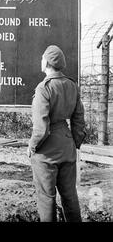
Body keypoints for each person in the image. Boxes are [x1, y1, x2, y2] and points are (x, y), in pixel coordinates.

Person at [27, 45, 86, 222]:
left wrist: (32, 146)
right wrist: (74, 143)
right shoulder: (72, 85)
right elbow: (79, 120)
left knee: (46, 198)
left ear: (47, 62)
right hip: (67, 147)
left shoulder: (43, 88)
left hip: (47, 152)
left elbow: (41, 128)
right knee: (70, 196)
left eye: (42, 58)